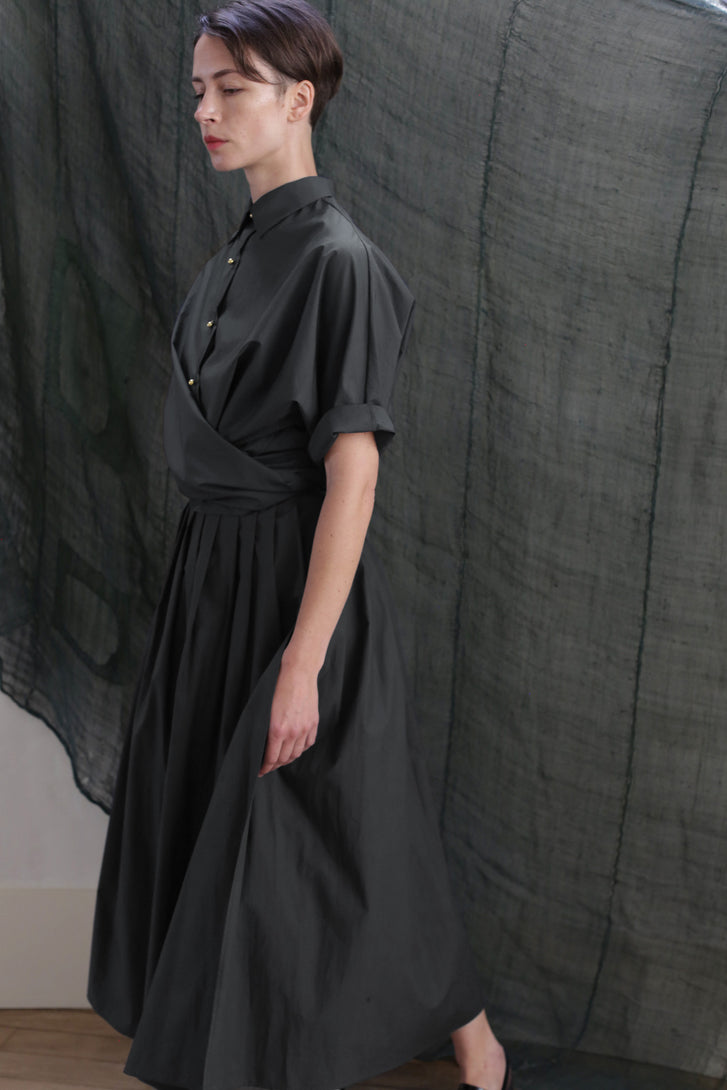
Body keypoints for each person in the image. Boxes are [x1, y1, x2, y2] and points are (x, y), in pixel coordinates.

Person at [87, 3, 511, 1090]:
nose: (205, 111)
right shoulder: (243, 250)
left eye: (231, 87)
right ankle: (436, 1032)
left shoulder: (338, 261)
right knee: (283, 830)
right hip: (212, 577)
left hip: (291, 586)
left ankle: (467, 1033)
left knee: (334, 828)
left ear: (298, 97)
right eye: (197, 90)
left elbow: (354, 473)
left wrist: (302, 662)